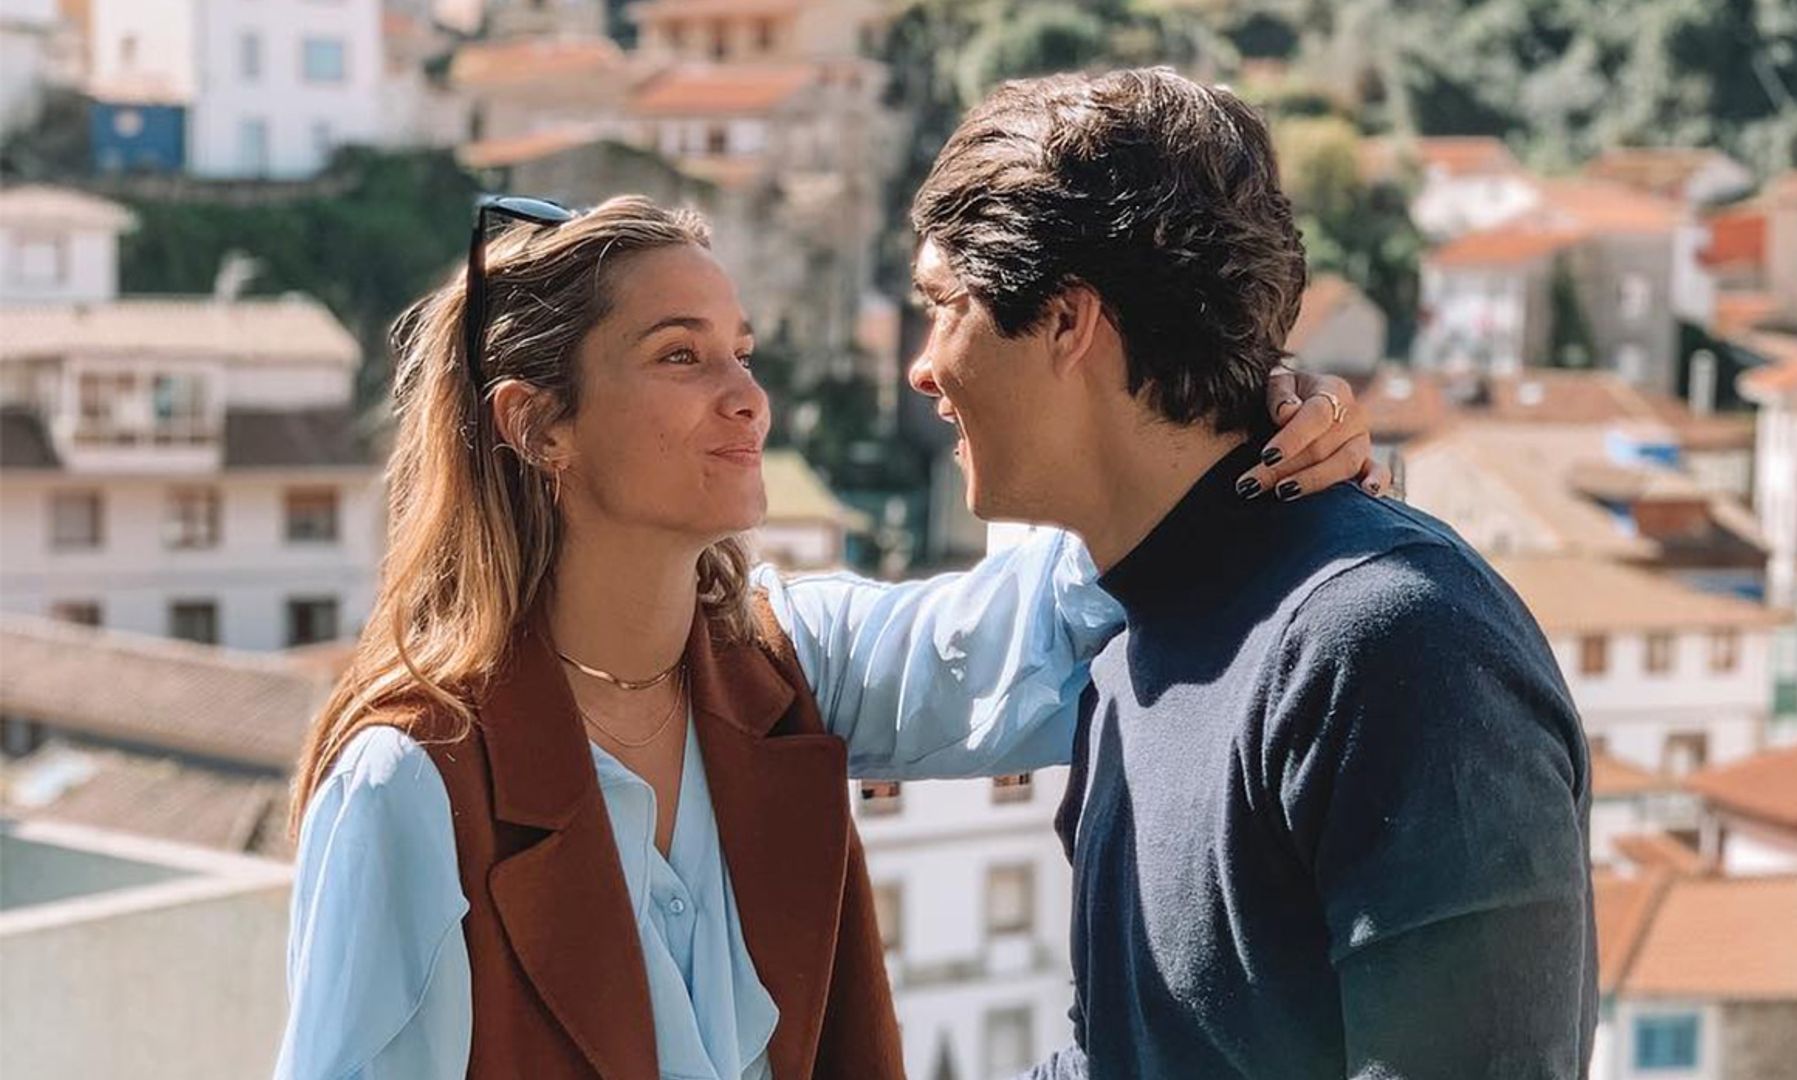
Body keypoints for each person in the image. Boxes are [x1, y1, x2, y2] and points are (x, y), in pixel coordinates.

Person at [272, 194, 1380, 1079]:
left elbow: (1065, 623)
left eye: (740, 351)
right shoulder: (409, 784)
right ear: (535, 423)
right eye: (679, 356)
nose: (747, 396)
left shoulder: (785, 666)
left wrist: (1246, 431)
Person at [906, 68, 1597, 1078]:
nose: (924, 366)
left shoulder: (1395, 644)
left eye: (943, 306)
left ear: (1067, 321)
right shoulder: (1128, 660)